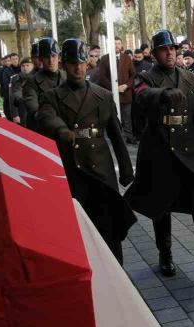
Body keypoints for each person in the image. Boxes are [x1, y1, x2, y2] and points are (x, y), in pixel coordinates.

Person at [126, 29, 194, 286]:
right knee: (161, 208)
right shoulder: (145, 77)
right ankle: (165, 254)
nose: (170, 53)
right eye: (164, 49)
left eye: (173, 48)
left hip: (189, 151)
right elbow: (141, 94)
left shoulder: (190, 78)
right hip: (160, 151)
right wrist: (162, 94)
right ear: (154, 54)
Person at [37, 38, 135, 264]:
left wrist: (126, 170)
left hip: (101, 170)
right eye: (72, 63)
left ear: (88, 63)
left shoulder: (103, 96)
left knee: (109, 229)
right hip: (73, 171)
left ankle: (116, 275)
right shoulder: (51, 96)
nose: (78, 67)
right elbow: (46, 116)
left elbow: (116, 135)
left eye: (82, 62)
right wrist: (61, 129)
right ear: (64, 64)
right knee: (78, 230)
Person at [97, 37, 135, 144]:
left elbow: (133, 75)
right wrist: (113, 87)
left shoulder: (127, 58)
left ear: (121, 45)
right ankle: (116, 139)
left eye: (118, 43)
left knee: (127, 118)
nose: (117, 45)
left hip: (125, 94)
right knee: (112, 119)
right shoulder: (104, 59)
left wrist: (126, 86)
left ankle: (129, 137)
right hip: (111, 95)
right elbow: (102, 77)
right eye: (114, 43)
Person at [23, 37, 65, 131]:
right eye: (47, 57)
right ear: (41, 59)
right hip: (43, 130)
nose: (51, 61)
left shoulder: (67, 77)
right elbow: (32, 106)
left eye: (53, 56)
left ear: (59, 57)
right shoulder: (32, 81)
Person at [9, 56, 34, 126]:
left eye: (27, 65)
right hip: (22, 112)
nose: (25, 67)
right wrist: (15, 114)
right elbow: (12, 97)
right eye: (23, 66)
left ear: (33, 66)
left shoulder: (38, 77)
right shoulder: (15, 79)